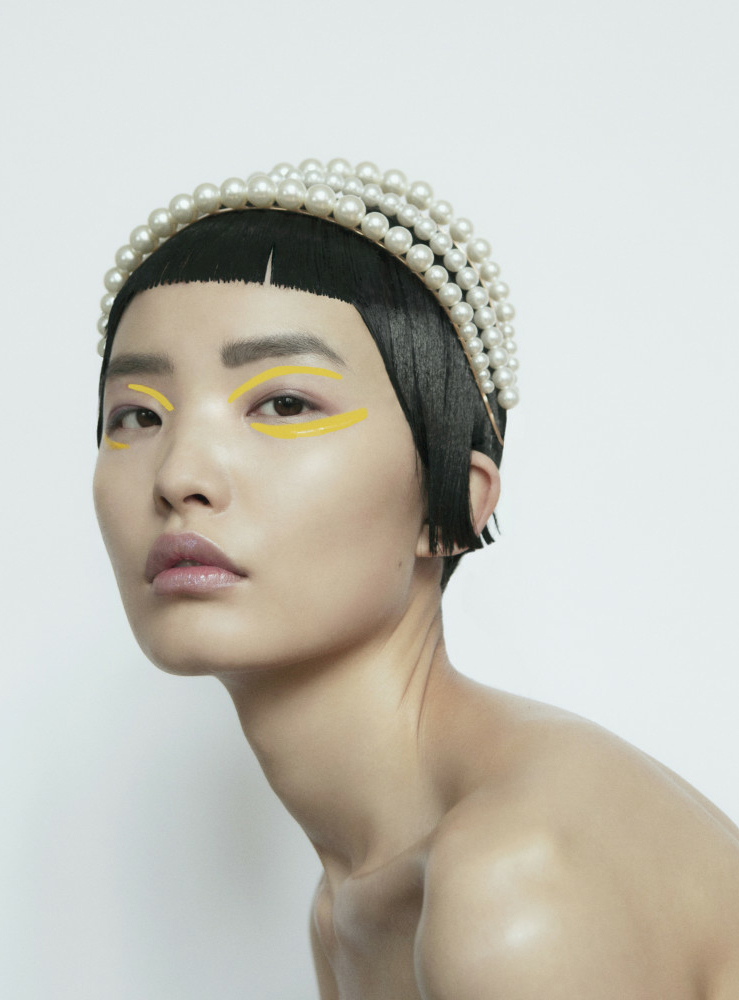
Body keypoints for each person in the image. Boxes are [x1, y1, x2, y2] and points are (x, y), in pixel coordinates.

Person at [93, 159, 739, 999]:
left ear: (451, 504)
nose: (180, 475)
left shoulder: (516, 881)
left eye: (283, 404)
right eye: (137, 415)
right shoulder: (358, 895)